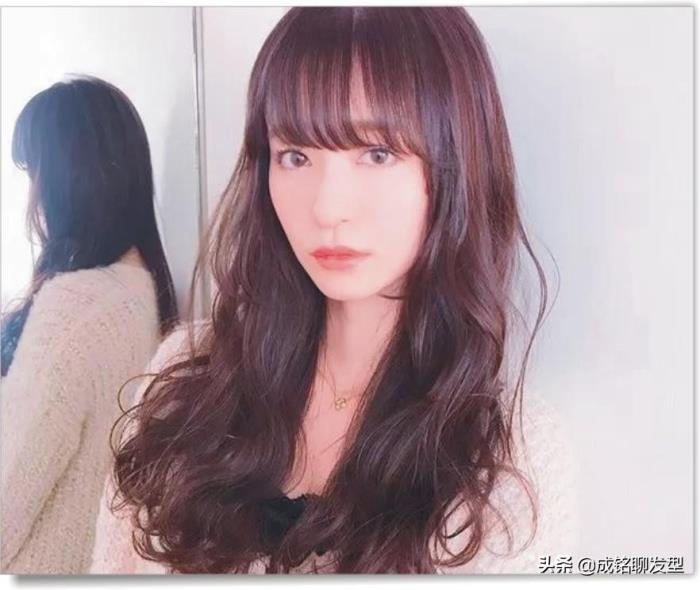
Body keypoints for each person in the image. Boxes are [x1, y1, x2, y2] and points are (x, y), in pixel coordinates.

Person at [90, 7, 579, 575]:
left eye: (377, 153)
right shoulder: (189, 381)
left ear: (455, 166)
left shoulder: (510, 458)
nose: (326, 207)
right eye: (295, 156)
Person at [0, 75, 179, 574]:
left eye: (34, 171)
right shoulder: (142, 290)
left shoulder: (77, 305)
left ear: (66, 178)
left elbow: (11, 487)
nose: (31, 195)